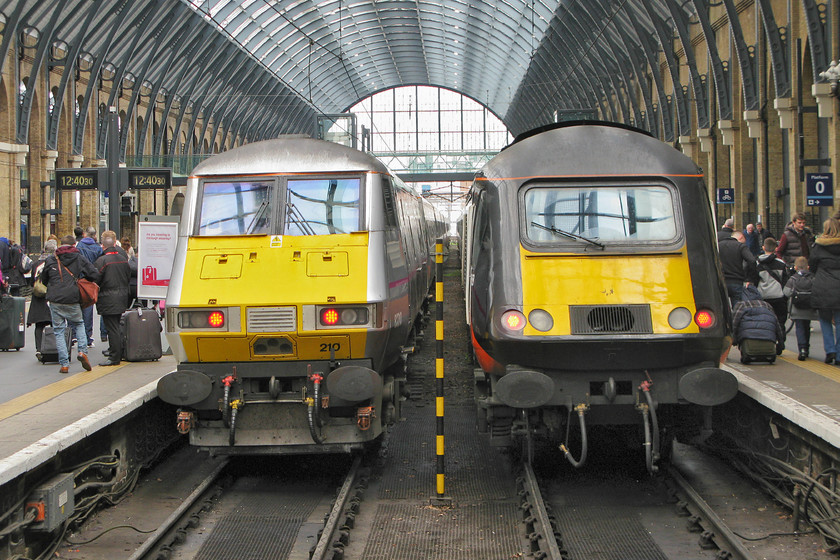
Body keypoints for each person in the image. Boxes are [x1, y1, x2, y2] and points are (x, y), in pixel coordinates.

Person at [39, 235, 99, 373]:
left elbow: (44, 279)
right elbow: (93, 274)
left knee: (59, 330)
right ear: (74, 245)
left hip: (55, 299)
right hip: (72, 297)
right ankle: (82, 351)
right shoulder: (78, 257)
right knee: (79, 323)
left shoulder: (51, 259)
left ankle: (64, 364)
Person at [94, 231, 131, 366]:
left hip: (107, 298)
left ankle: (115, 357)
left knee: (112, 328)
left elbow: (96, 279)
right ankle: (118, 351)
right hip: (121, 296)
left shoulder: (102, 261)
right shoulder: (123, 259)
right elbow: (127, 276)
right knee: (116, 325)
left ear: (103, 246)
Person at [809, 218, 840, 365]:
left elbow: (812, 266)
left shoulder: (818, 246)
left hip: (822, 286)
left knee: (825, 320)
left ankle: (830, 351)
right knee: (839, 322)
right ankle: (839, 354)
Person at [732, 285, 785, 355]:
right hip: (769, 348)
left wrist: (734, 341)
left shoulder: (741, 305)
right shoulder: (767, 305)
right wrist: (781, 345)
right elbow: (777, 327)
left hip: (748, 347)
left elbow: (734, 324)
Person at [755, 237, 790, 346]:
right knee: (780, 320)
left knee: (765, 320)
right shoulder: (781, 264)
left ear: (763, 247)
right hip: (778, 296)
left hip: (763, 296)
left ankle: (768, 342)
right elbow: (785, 281)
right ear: (775, 248)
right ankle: (781, 341)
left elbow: (755, 281)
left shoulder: (757, 263)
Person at [783, 257, 819, 361]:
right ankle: (806, 348)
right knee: (807, 327)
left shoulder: (793, 279)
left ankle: (802, 349)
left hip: (797, 309)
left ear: (795, 267)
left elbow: (786, 292)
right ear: (808, 267)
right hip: (809, 308)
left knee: (799, 328)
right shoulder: (813, 278)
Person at [27, 239, 57, 359]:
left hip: (38, 297)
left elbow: (31, 282)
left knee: (39, 325)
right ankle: (54, 347)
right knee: (55, 324)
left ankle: (39, 349)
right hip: (52, 296)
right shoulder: (54, 263)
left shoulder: (35, 264)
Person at [77, 226, 103, 347]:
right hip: (91, 281)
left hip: (79, 280)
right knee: (88, 308)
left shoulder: (79, 246)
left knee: (77, 309)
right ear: (95, 235)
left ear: (85, 234)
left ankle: (74, 335)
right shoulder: (97, 248)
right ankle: (87, 337)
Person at [718, 230, 759, 304]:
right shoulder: (740, 246)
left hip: (722, 281)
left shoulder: (719, 245)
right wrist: (750, 277)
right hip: (736, 281)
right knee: (737, 306)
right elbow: (752, 261)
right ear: (741, 237)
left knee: (722, 305)